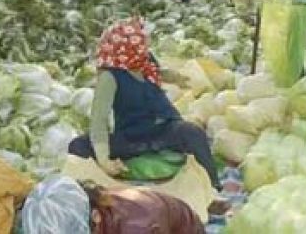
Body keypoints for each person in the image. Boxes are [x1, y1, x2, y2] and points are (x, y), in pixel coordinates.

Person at [68, 18, 222, 191]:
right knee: (78, 145)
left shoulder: (144, 61)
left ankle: (213, 188)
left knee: (193, 133)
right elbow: (99, 120)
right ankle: (90, 190)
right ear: (126, 48)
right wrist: (104, 159)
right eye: (141, 44)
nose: (145, 47)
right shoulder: (110, 77)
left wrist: (174, 77)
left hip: (164, 130)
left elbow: (157, 72)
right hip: (132, 137)